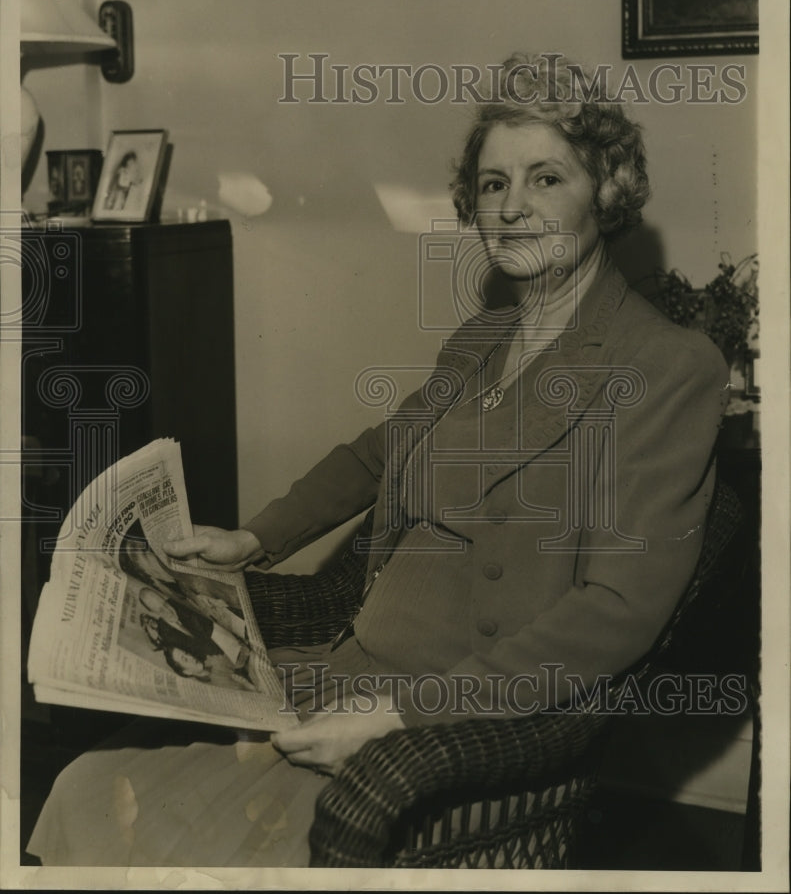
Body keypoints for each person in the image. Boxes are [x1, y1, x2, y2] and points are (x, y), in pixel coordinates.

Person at [27, 51, 728, 867]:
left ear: (603, 191)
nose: (512, 207)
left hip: (451, 713)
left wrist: (400, 717)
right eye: (493, 184)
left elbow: (615, 610)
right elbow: (379, 453)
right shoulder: (481, 337)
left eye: (546, 178)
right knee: (87, 786)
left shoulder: (666, 364)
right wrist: (254, 539)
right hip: (344, 669)